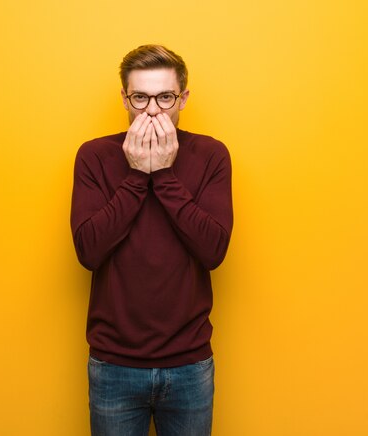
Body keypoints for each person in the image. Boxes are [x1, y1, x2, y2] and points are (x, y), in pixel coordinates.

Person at [70, 44, 233, 436]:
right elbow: (89, 251)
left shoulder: (211, 155)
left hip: (190, 366)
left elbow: (213, 250)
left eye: (165, 97)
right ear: (124, 98)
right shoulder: (94, 156)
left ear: (183, 98)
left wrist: (163, 174)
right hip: (114, 366)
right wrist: (137, 174)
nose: (153, 111)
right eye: (141, 97)